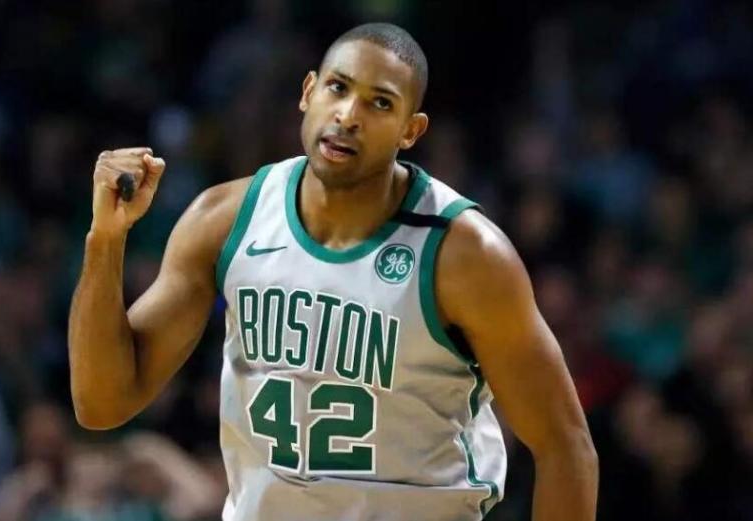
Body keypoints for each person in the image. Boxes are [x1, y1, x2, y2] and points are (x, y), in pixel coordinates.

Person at [68, 22, 598, 521]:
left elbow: (565, 444)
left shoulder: (465, 254)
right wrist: (105, 241)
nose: (348, 115)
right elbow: (102, 403)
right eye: (338, 88)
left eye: (380, 103)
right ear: (308, 92)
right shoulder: (224, 220)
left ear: (410, 130)